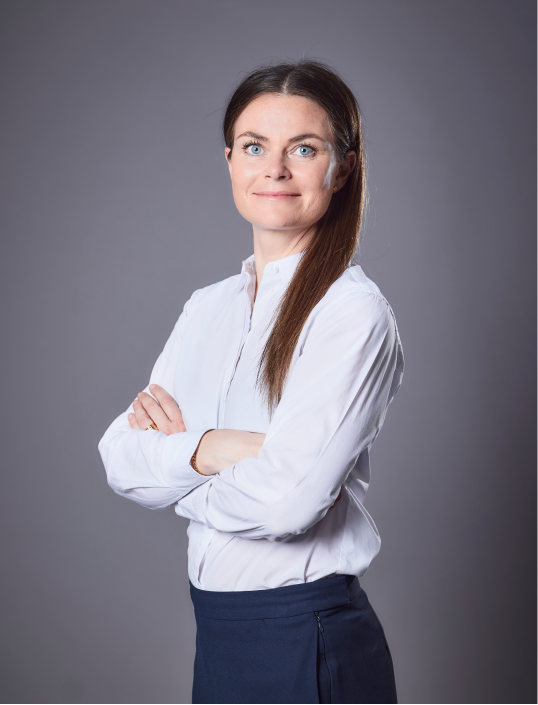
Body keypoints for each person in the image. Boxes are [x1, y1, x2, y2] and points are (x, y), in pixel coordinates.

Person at [99, 60, 404, 704]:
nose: (276, 169)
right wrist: (215, 449)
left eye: (305, 148)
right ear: (230, 161)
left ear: (342, 167)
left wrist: (177, 468)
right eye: (255, 146)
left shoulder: (351, 312)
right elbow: (119, 457)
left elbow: (285, 505)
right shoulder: (206, 307)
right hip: (218, 633)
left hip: (305, 636)